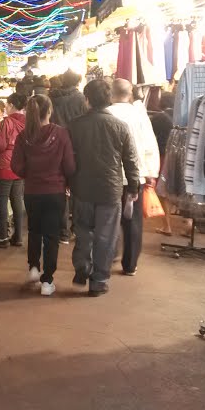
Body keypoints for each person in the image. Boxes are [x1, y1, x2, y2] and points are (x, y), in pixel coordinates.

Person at [68, 79, 140, 297]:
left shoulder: (75, 125)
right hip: (110, 190)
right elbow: (131, 161)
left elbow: (68, 159)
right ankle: (98, 281)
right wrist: (134, 186)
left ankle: (82, 265)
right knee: (105, 237)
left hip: (82, 187)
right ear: (108, 100)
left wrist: (67, 181)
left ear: (87, 99)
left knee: (82, 231)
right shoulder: (121, 126)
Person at [11, 95, 75, 296]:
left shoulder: (23, 137)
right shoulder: (61, 134)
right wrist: (67, 182)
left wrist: (30, 174)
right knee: (51, 235)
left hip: (32, 192)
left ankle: (33, 268)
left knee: (34, 230)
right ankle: (47, 281)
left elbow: (16, 167)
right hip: (55, 192)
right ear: (49, 111)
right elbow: (70, 165)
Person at [107, 78, 161, 276]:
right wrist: (151, 173)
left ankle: (109, 255)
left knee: (109, 219)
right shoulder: (139, 115)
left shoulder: (106, 114)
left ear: (110, 94)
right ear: (129, 94)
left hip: (110, 177)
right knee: (133, 221)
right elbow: (150, 145)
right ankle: (130, 264)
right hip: (134, 177)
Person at [0, 92, 27, 248]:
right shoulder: (28, 122)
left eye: (7, 105)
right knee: (17, 200)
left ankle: (2, 238)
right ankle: (19, 237)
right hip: (21, 164)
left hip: (5, 164)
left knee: (2, 201)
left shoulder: (6, 122)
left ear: (11, 105)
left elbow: (0, 144)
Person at [49, 70, 87, 243]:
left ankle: (62, 232)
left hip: (57, 145)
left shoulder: (53, 97)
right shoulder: (80, 98)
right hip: (77, 146)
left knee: (61, 189)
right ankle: (76, 228)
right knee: (77, 190)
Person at [148, 91, 175, 235]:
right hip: (179, 156)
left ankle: (167, 226)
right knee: (176, 188)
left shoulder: (159, 117)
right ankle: (189, 223)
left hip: (162, 155)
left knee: (162, 191)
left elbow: (149, 135)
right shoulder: (180, 116)